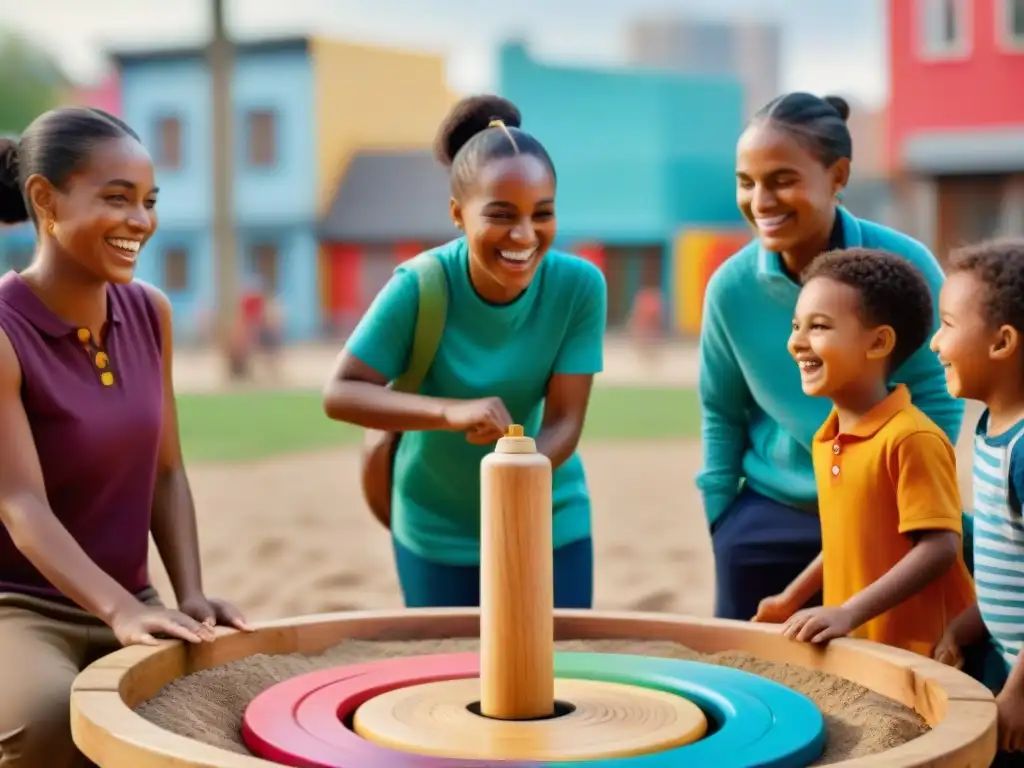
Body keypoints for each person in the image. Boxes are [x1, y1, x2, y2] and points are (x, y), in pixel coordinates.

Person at [0, 107, 249, 768]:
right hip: (18, 608)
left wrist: (188, 592)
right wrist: (116, 611)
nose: (140, 221)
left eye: (148, 201)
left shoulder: (150, 311)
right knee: (49, 723)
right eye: (117, 199)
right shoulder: (3, 331)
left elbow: (167, 472)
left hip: (131, 597)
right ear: (44, 200)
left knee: (205, 713)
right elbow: (21, 507)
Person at [322, 95, 607, 609]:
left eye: (542, 214)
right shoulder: (420, 285)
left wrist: (515, 471)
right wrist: (450, 412)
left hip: (548, 516)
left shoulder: (578, 286)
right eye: (501, 215)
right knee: (446, 676)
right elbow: (340, 393)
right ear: (457, 213)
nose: (524, 235)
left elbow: (566, 421)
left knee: (561, 670)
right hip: (436, 526)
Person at [697, 91, 965, 621]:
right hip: (772, 509)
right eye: (746, 182)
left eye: (782, 180)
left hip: (883, 503)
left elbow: (937, 391)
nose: (761, 201)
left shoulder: (904, 266)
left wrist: (891, 491)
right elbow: (721, 412)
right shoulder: (730, 289)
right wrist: (721, 521)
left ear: (838, 175)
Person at [750, 248, 974, 658]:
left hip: (922, 652)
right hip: (862, 643)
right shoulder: (827, 437)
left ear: (879, 343)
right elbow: (843, 538)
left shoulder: (910, 438)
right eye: (796, 325)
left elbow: (940, 547)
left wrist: (849, 612)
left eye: (818, 327)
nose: (796, 342)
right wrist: (791, 597)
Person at [929, 239, 1024, 760]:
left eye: (946, 325)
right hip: (1004, 659)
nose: (934, 344)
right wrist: (966, 626)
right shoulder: (991, 427)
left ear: (1002, 341)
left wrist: (1018, 695)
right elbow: (1008, 559)